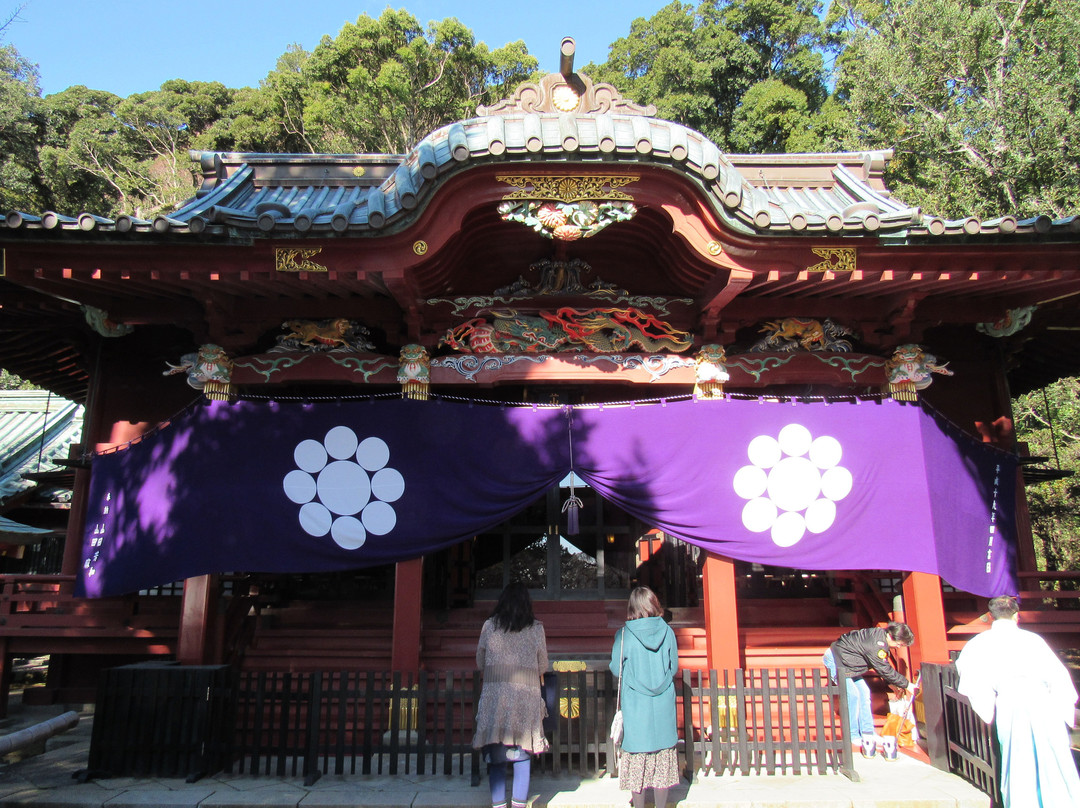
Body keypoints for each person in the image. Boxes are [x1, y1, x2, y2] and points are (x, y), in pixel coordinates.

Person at [955, 595, 1080, 808]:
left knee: (1018, 758)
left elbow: (971, 680)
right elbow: (1058, 676)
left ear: (990, 616)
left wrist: (987, 707)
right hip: (1043, 701)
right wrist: (1065, 707)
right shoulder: (1033, 640)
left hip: (1010, 703)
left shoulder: (979, 643)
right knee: (1055, 756)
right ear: (1017, 616)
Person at [471, 582, 550, 808]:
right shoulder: (536, 628)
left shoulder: (489, 626)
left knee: (496, 757)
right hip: (525, 698)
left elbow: (480, 660)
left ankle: (498, 805)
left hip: (496, 698)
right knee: (522, 756)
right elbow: (542, 664)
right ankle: (518, 805)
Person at [610, 585, 680, 808]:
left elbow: (615, 668)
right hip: (662, 704)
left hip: (636, 705)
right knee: (663, 761)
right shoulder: (668, 632)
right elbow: (674, 667)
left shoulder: (624, 634)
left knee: (637, 759)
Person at [823, 621, 916, 757]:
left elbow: (882, 666)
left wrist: (895, 685)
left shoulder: (880, 637)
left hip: (849, 663)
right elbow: (884, 668)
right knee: (853, 695)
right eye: (899, 644)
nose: (898, 647)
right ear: (891, 636)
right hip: (836, 660)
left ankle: (868, 732)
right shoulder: (876, 645)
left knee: (865, 693)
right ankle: (853, 734)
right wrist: (907, 685)